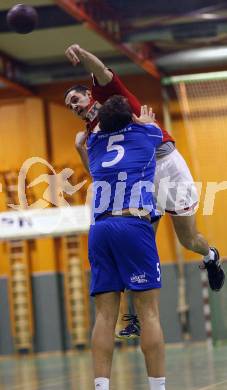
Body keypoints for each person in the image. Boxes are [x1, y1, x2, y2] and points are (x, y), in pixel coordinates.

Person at [64, 44, 225, 338]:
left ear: (89, 94)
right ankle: (135, 317)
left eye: (75, 99)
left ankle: (211, 255)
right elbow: (96, 173)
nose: (74, 106)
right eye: (69, 106)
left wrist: (81, 51)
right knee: (138, 246)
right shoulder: (91, 134)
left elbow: (100, 69)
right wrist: (80, 150)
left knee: (189, 239)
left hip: (165, 165)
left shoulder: (110, 96)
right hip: (138, 183)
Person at [86, 94, 165, 390]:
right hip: (133, 224)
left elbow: (91, 132)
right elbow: (154, 132)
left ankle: (101, 387)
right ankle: (158, 387)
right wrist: (142, 121)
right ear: (131, 118)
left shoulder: (92, 145)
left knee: (105, 316)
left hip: (101, 227)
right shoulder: (148, 133)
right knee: (149, 313)